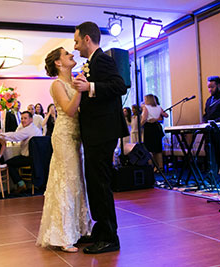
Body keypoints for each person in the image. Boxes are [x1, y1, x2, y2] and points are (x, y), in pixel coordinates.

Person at [72, 21, 129, 254]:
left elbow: (119, 86)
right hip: (96, 132)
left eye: (76, 41)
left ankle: (109, 237)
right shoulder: (92, 62)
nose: (75, 47)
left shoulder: (102, 59)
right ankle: (101, 229)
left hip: (103, 131)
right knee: (94, 183)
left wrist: (90, 87)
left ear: (87, 39)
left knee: (100, 183)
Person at [36, 47, 92, 253]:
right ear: (58, 63)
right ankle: (63, 235)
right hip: (64, 136)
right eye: (67, 53)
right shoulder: (57, 84)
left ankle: (80, 229)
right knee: (66, 182)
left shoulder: (73, 81)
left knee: (77, 181)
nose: (71, 54)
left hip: (77, 136)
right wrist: (79, 89)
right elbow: (69, 110)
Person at [0, 111, 42, 193]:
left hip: (29, 158)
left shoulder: (28, 130)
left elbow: (14, 136)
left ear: (31, 119)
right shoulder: (36, 129)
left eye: (25, 118)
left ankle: (21, 184)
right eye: (22, 118)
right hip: (38, 159)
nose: (23, 120)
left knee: (9, 163)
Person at [141, 94, 168, 171]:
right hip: (157, 128)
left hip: (149, 128)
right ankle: (160, 166)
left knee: (149, 149)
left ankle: (151, 166)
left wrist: (139, 125)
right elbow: (166, 115)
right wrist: (156, 118)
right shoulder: (159, 107)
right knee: (158, 149)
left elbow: (144, 118)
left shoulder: (146, 108)